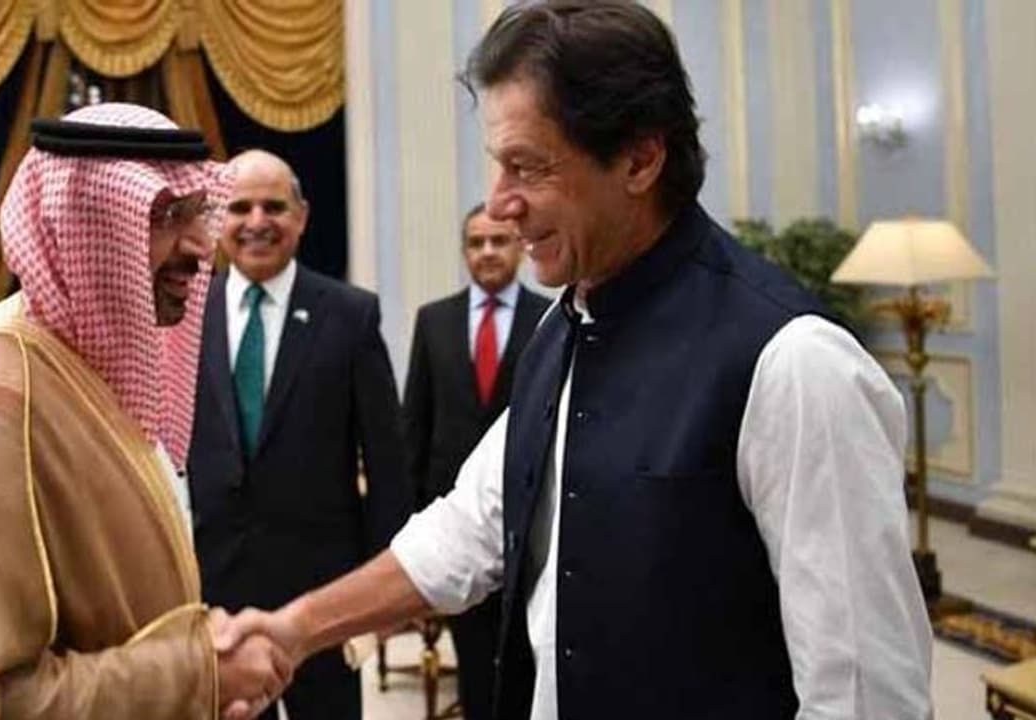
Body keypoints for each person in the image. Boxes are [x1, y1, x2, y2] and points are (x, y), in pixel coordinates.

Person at [212, 3, 934, 719]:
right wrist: (295, 629)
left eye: (527, 167)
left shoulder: (796, 363)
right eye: (498, 166)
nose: (499, 204)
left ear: (639, 159)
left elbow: (866, 698)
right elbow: (465, 532)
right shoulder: (561, 330)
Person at [0, 104, 288, 720]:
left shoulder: (85, 372)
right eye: (167, 216)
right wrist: (195, 674)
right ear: (84, 229)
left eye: (197, 213)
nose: (203, 247)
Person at [187, 149, 411, 720]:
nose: (257, 221)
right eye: (240, 207)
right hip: (211, 590)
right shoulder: (185, 315)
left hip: (324, 597)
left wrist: (384, 591)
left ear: (303, 216)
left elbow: (386, 464)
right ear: (216, 218)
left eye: (273, 206)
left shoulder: (350, 315)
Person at [402, 202, 546, 718]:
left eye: (499, 241)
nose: (487, 252)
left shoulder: (550, 321)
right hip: (453, 529)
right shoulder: (434, 320)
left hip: (531, 530)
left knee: (529, 673)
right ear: (464, 251)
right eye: (476, 243)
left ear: (520, 247)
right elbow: (414, 432)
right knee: (476, 674)